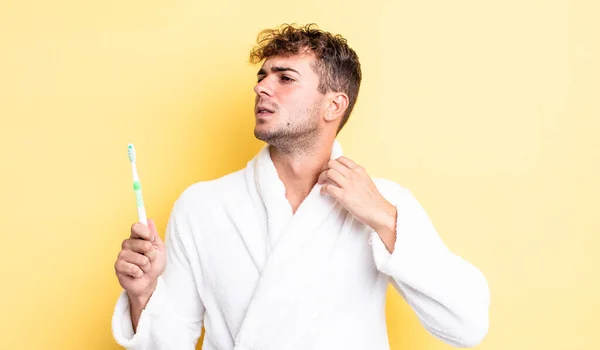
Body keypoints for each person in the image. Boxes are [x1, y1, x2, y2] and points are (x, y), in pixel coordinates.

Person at [112, 23, 490, 350]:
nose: (262, 89)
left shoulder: (384, 204)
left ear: (333, 105)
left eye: (285, 78)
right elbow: (169, 341)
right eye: (262, 77)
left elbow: (466, 324)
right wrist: (142, 295)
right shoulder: (203, 206)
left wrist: (386, 221)